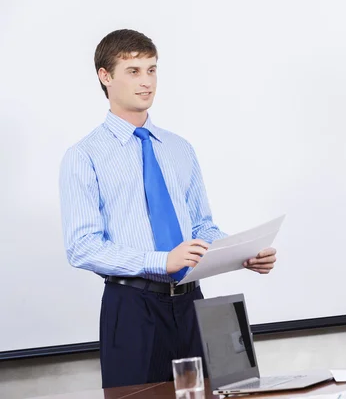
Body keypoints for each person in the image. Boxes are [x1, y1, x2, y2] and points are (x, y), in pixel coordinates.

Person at [58, 29, 277, 389]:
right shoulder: (84, 157)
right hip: (132, 307)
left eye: (152, 69)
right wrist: (161, 261)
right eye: (134, 71)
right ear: (105, 76)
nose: (146, 82)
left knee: (222, 393)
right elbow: (82, 247)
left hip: (194, 303)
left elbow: (202, 225)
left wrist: (241, 253)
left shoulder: (179, 148)